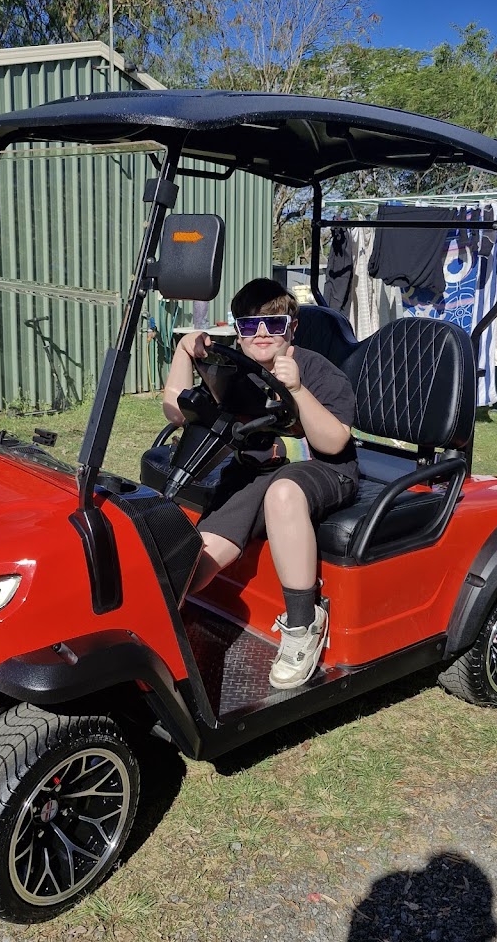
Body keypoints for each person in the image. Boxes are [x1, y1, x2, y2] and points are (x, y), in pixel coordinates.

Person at [162, 278, 359, 690]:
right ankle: (157, 624)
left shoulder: (316, 369)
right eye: (250, 326)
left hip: (326, 470)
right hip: (258, 471)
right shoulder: (234, 370)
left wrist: (298, 389)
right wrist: (183, 351)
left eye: (273, 323)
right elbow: (179, 411)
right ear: (238, 331)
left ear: (292, 327)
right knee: (201, 556)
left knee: (283, 492)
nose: (262, 334)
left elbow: (335, 441)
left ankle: (304, 623)